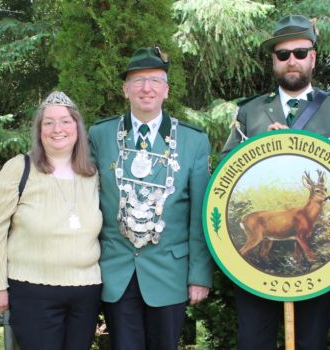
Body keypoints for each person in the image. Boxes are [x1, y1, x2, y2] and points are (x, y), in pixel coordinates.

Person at [220, 14, 330, 350]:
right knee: (253, 340)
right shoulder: (251, 112)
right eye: (283, 54)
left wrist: (314, 151)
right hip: (257, 267)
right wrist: (255, 148)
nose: (292, 61)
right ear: (273, 60)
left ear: (313, 57)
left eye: (300, 53)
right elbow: (225, 177)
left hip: (319, 266)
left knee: (310, 342)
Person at [88, 46, 213, 349]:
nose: (147, 88)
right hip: (116, 270)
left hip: (169, 271)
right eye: (138, 80)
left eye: (155, 80)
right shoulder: (100, 135)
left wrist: (199, 274)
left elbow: (199, 213)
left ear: (166, 90)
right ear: (125, 89)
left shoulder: (193, 141)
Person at [0, 91, 103, 349]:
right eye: (48, 122)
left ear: (77, 128)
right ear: (39, 130)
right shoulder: (19, 168)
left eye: (65, 121)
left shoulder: (92, 173)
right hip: (32, 291)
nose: (57, 129)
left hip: (86, 290)